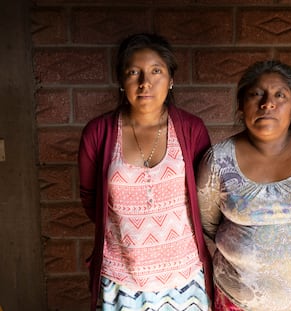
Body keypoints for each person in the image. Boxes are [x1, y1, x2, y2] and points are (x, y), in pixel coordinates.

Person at [197, 60, 291, 311]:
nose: (267, 103)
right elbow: (208, 222)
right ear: (241, 105)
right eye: (256, 93)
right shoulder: (218, 160)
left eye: (280, 95)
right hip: (238, 301)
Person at [78, 33, 213, 311]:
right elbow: (92, 199)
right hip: (121, 281)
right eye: (133, 72)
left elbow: (205, 197)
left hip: (184, 278)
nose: (145, 82)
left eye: (156, 71)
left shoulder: (191, 129)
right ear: (121, 81)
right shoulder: (98, 133)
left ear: (171, 78)